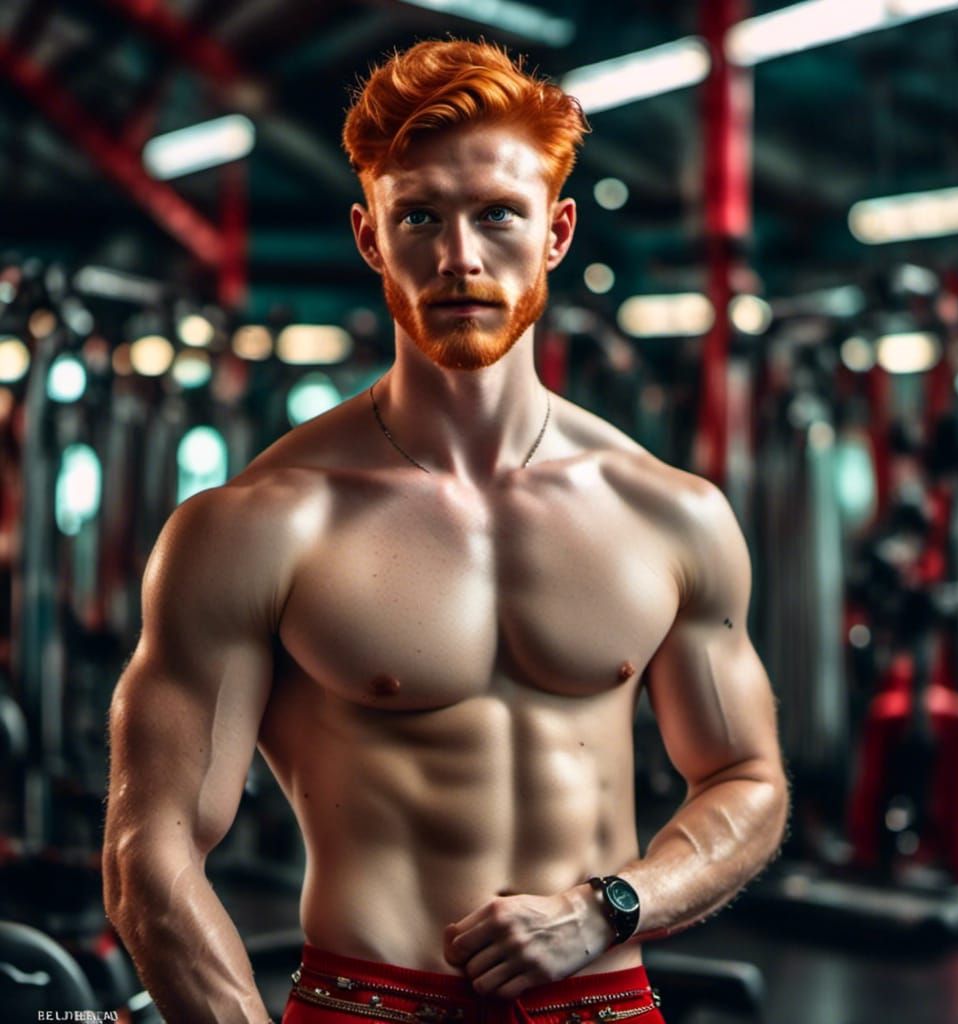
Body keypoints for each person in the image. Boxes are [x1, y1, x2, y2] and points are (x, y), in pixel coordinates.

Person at [102, 38, 789, 1024]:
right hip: (367, 1003)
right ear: (370, 237)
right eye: (419, 215)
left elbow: (746, 777)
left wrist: (613, 905)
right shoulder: (255, 526)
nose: (461, 257)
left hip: (604, 998)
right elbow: (149, 848)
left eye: (497, 216)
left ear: (554, 233)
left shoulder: (670, 511)